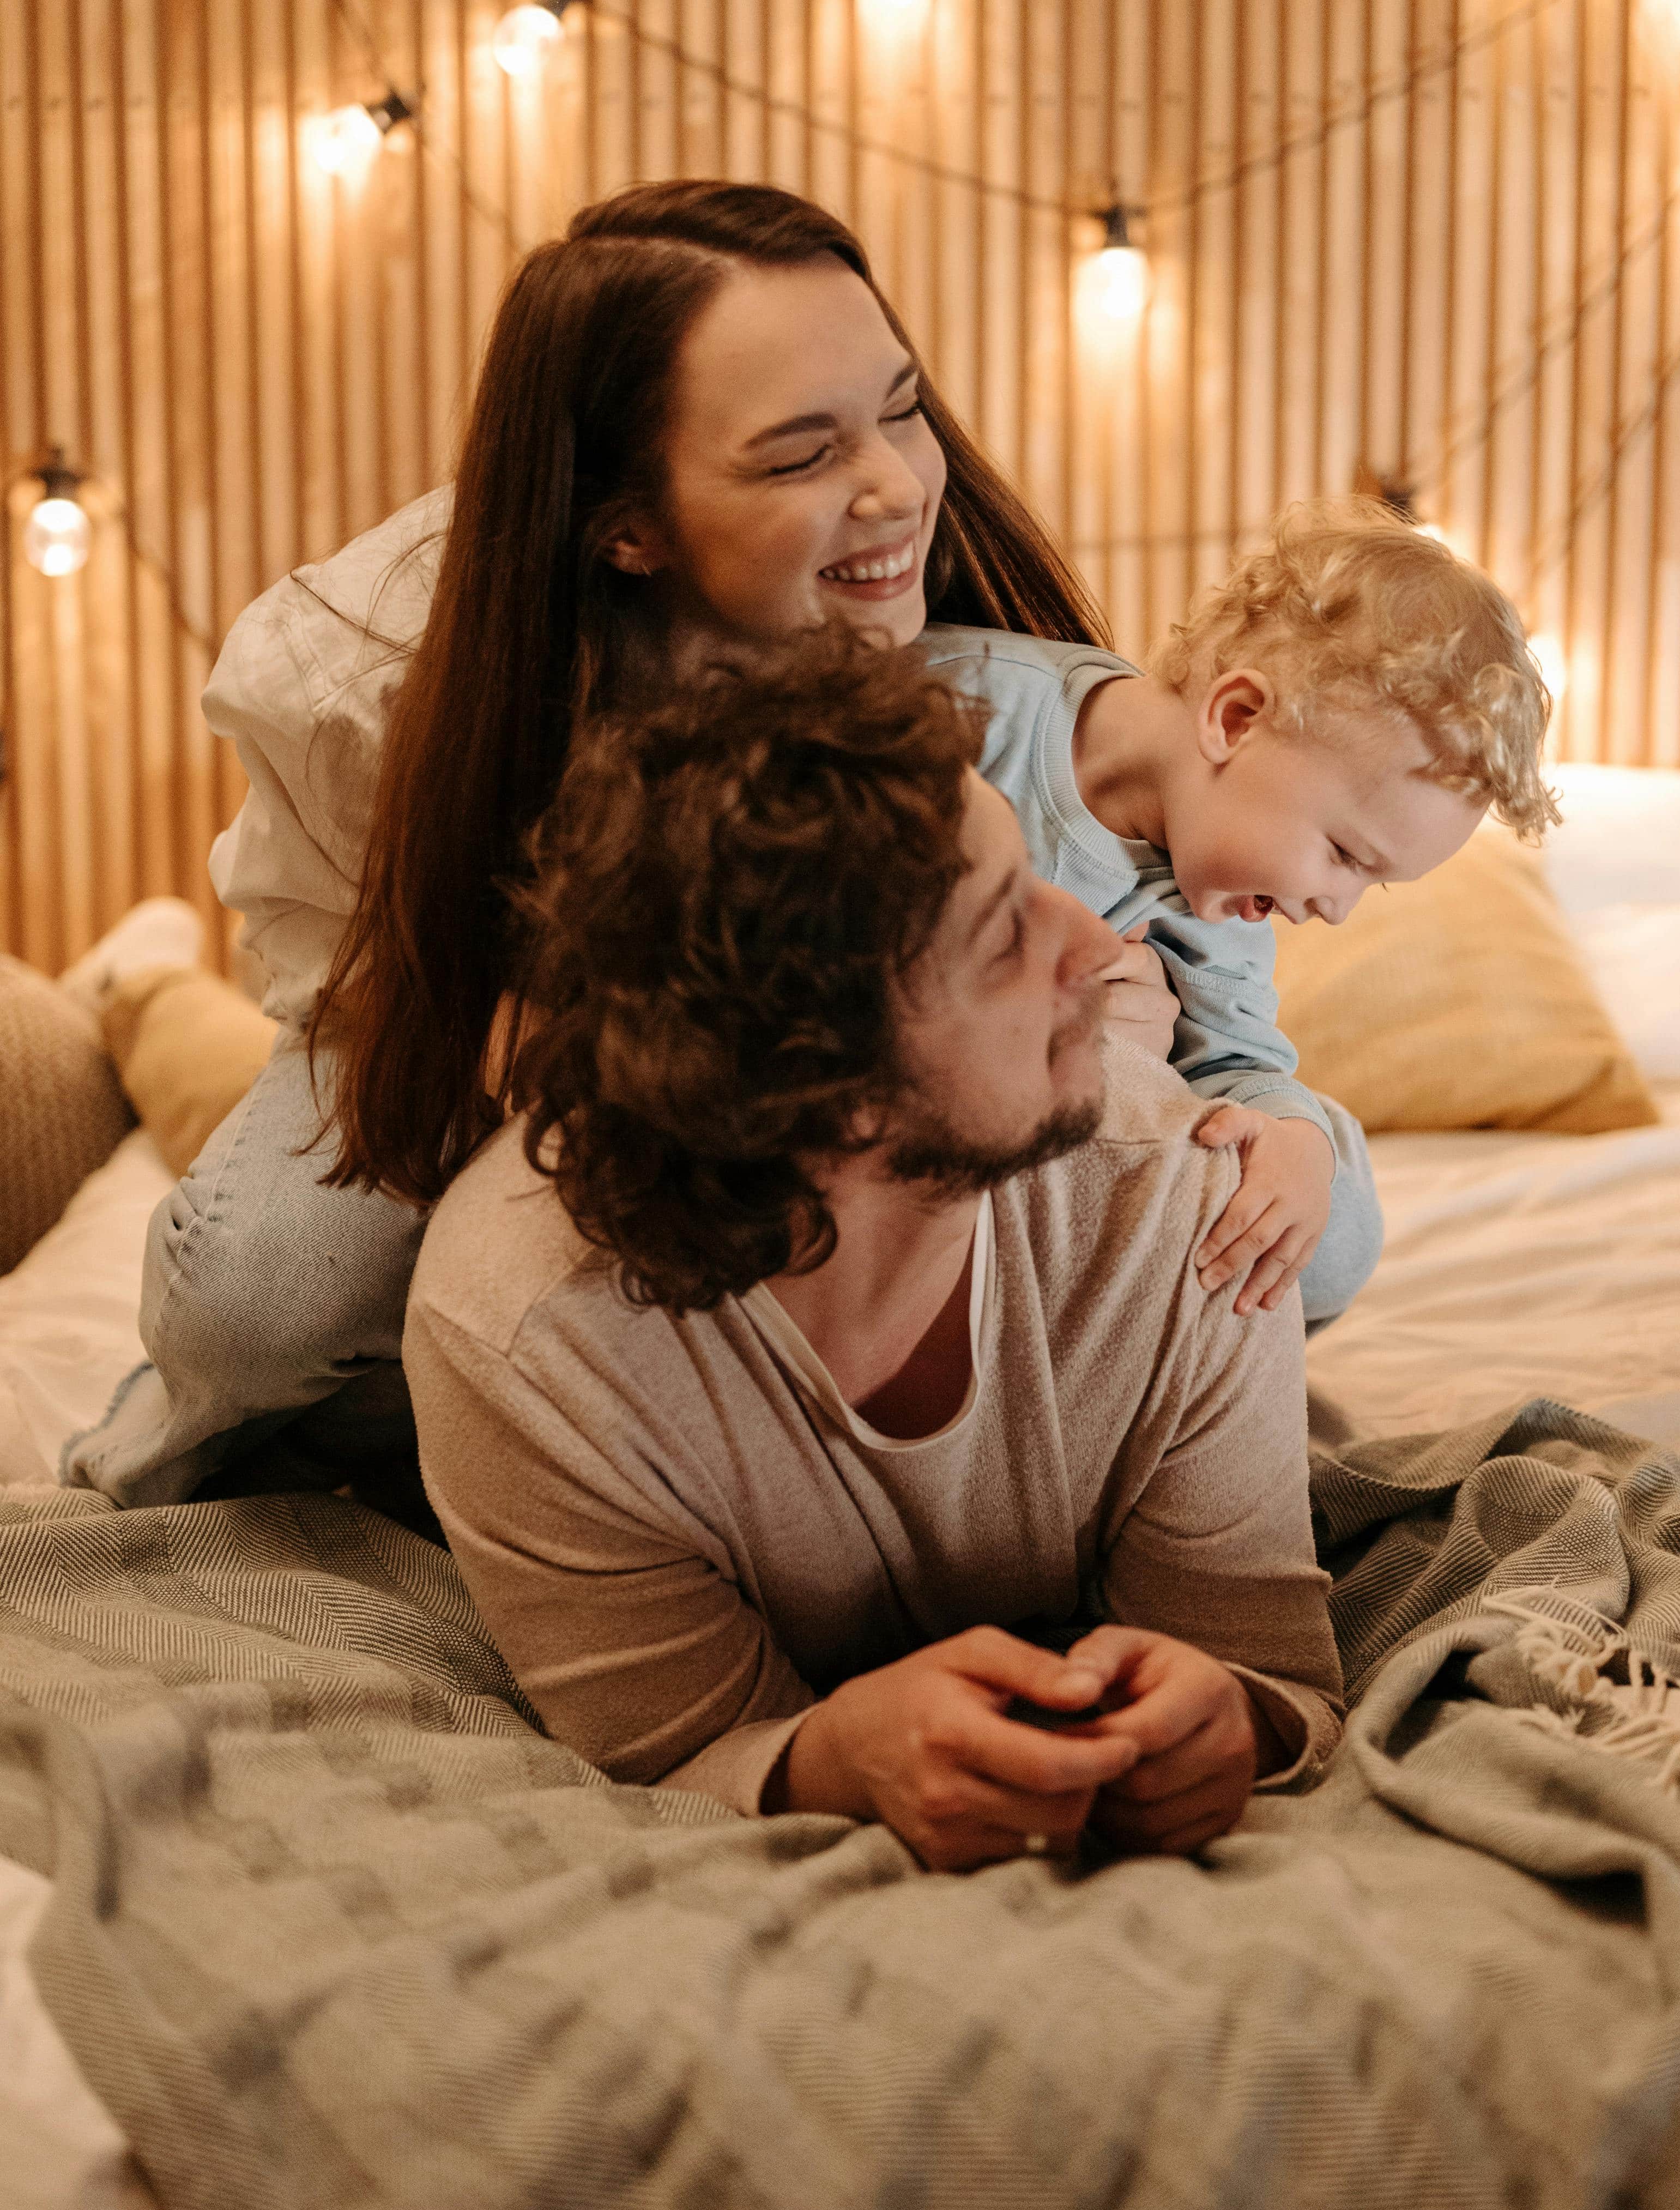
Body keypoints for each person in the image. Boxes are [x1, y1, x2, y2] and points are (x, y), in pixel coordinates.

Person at [62, 182, 1124, 1508]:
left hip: (780, 1045)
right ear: (627, 523)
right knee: (271, 1296)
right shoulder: (378, 677)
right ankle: (143, 999)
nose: (895, 489)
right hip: (463, 1011)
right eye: (799, 456)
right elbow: (349, 989)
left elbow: (1170, 982)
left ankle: (148, 991)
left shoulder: (1014, 695)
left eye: (900, 409)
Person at [404, 632, 1345, 1872]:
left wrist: (1226, 1719)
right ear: (829, 1093)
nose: (1105, 948)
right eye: (1005, 934)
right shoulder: (529, 1343)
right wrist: (829, 1758)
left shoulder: (1194, 1219)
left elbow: (1268, 1678)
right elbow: (671, 1745)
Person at [933, 499, 1557, 1324]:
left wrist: (1294, 1143)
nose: (1335, 910)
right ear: (1237, 720)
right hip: (905, 1115)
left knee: (1331, 1225)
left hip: (1042, 1185)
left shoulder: (1219, 910)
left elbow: (1236, 1063)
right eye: (1343, 855)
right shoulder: (967, 707)